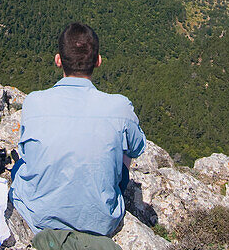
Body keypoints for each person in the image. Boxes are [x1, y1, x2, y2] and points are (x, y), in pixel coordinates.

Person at [10, 22, 146, 236]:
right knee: (124, 147)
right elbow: (137, 148)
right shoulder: (120, 107)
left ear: (58, 60)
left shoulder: (34, 102)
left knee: (18, 166)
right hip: (101, 222)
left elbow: (28, 154)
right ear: (98, 61)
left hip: (39, 216)